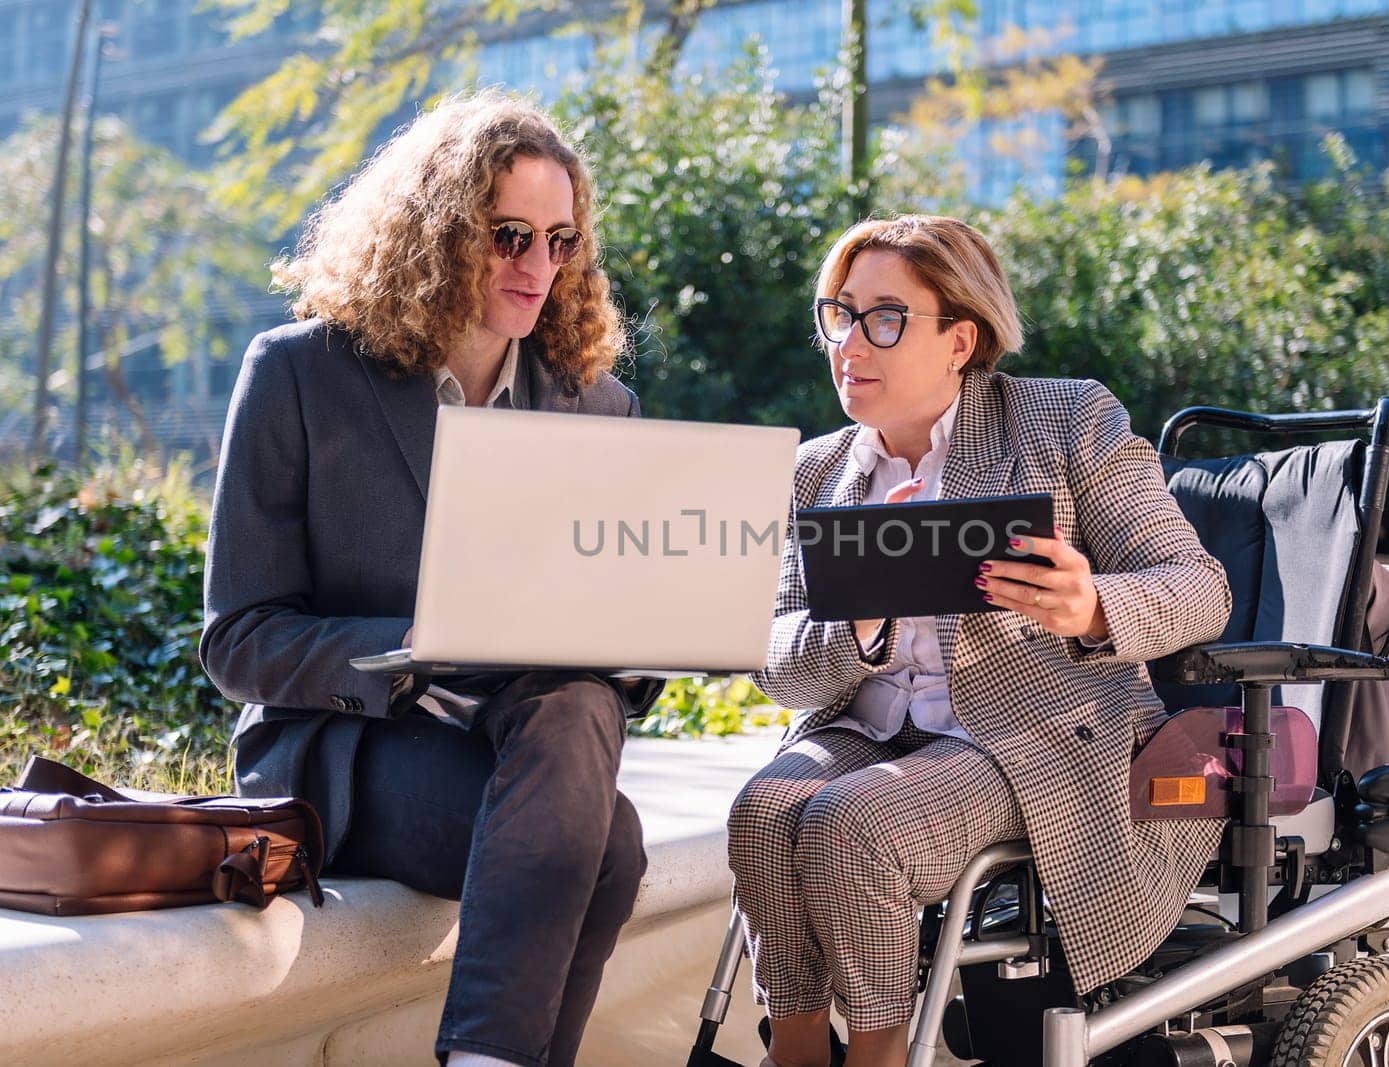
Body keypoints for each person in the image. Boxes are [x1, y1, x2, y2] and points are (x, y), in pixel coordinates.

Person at [201, 91, 654, 1067]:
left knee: (574, 699)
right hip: (348, 752)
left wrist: (654, 624)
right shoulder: (297, 374)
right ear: (438, 232)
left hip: (527, 742)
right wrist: (425, 639)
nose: (538, 268)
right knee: (608, 847)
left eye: (561, 241)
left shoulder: (596, 406)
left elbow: (624, 669)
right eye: (507, 236)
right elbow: (239, 636)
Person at [727, 215, 1232, 1067]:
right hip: (866, 729)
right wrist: (854, 627)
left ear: (960, 339)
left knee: (855, 827)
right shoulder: (818, 471)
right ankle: (798, 1048)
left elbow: (1200, 587)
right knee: (762, 811)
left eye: (884, 317)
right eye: (839, 313)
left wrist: (1091, 604)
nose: (851, 341)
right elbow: (776, 665)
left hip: (1030, 735)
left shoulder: (1064, 422)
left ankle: (881, 1056)